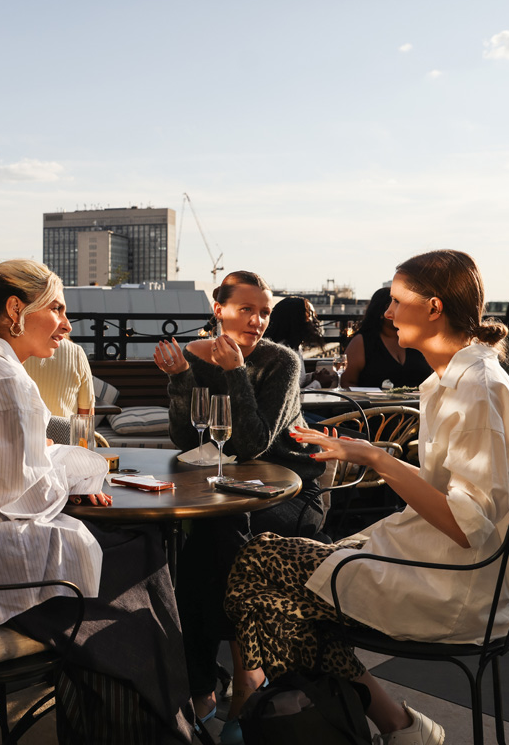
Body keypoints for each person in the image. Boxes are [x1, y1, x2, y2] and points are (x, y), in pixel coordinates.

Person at [219, 250, 509, 745]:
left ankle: (279, 707)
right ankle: (385, 725)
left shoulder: (473, 390)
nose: (387, 313)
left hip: (459, 588)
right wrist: (366, 453)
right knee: (273, 585)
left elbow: (466, 525)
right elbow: (453, 493)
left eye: (396, 301)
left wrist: (378, 459)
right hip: (450, 567)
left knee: (260, 564)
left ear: (434, 308)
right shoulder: (457, 378)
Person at [0, 258, 192, 743]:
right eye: (57, 309)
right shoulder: (6, 382)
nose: (67, 324)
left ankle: (139, 700)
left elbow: (21, 460)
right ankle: (159, 710)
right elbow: (24, 496)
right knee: (143, 545)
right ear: (16, 310)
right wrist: (82, 471)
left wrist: (69, 468)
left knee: (127, 546)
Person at [152, 271, 325, 737]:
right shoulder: (192, 355)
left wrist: (235, 372)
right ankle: (234, 674)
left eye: (264, 311)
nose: (257, 321)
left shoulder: (281, 361)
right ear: (219, 310)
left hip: (290, 489)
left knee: (211, 543)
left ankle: (218, 679)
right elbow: (186, 438)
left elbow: (251, 443)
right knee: (209, 538)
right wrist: (180, 378)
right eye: (246, 309)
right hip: (225, 490)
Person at [340, 286, 432, 389]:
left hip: (418, 399)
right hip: (373, 400)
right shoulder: (362, 342)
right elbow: (346, 382)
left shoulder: (417, 339)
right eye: (397, 307)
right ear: (382, 312)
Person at [263, 295, 336, 388]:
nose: (315, 322)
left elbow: (295, 383)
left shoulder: (295, 347)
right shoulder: (282, 355)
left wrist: (312, 377)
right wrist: (318, 383)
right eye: (310, 316)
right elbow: (292, 395)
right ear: (297, 320)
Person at [23, 335, 95, 416]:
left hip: (21, 423)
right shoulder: (76, 352)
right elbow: (86, 415)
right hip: (65, 423)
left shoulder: (14, 349)